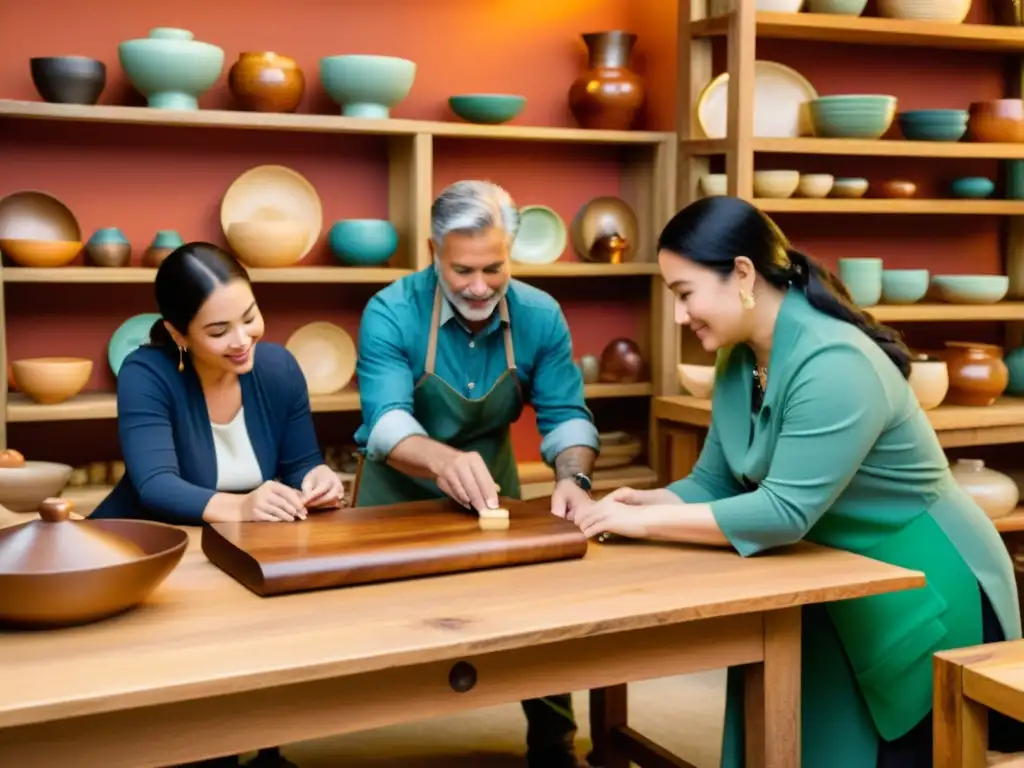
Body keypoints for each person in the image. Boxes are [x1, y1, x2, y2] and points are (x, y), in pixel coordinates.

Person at [567, 195, 1024, 768]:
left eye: (685, 294)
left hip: (918, 581)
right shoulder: (742, 359)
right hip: (825, 573)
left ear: (741, 274)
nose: (680, 316)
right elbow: (713, 482)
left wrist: (642, 521)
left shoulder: (835, 361)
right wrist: (641, 500)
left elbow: (784, 512)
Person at [352, 180, 600, 768]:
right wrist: (442, 460)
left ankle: (553, 740)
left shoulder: (540, 315)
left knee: (535, 617)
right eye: (463, 270)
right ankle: (270, 742)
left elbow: (566, 417)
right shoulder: (390, 310)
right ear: (434, 252)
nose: (481, 286)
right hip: (394, 498)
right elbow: (385, 422)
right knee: (357, 633)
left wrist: (574, 479)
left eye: (496, 268)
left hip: (495, 495)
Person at [92, 242, 344, 768]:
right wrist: (244, 505)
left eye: (249, 317)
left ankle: (265, 749)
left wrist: (317, 479)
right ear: (178, 334)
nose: (241, 340)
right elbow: (155, 484)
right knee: (196, 722)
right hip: (151, 561)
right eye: (217, 331)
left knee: (274, 646)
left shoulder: (276, 368)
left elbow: (300, 462)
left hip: (237, 556)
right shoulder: (147, 373)